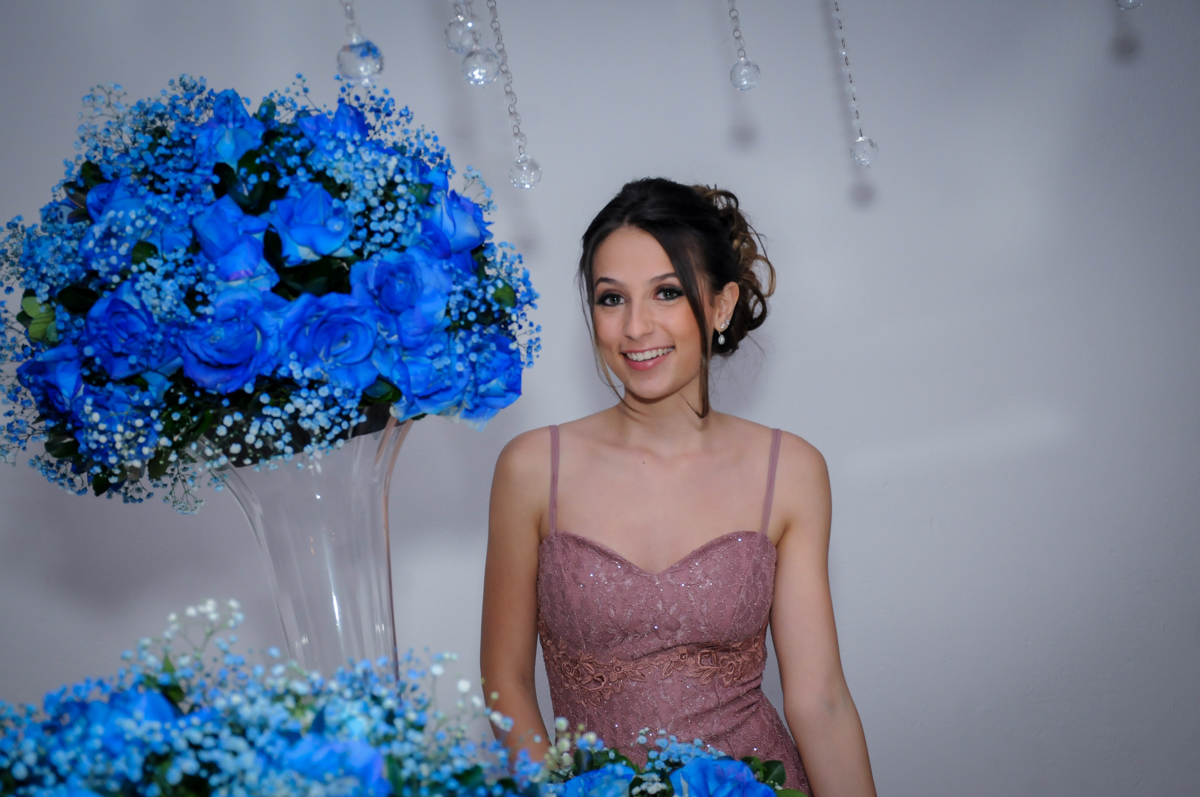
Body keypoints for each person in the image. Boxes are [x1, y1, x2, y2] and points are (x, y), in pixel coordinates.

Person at [480, 178, 876, 796]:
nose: (636, 326)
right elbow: (505, 678)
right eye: (611, 299)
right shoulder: (532, 468)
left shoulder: (791, 470)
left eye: (666, 292)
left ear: (720, 306)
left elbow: (820, 699)